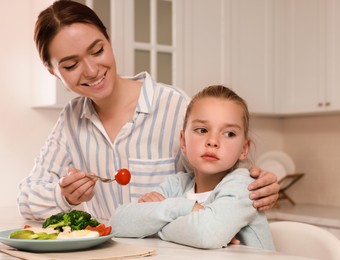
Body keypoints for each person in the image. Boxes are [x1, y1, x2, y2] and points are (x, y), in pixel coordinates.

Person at [17, 0, 279, 222]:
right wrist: (63, 196)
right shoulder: (71, 120)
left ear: (109, 39)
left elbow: (220, 176)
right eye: (71, 65)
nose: (91, 70)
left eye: (97, 51)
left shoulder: (174, 106)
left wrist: (257, 186)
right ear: (53, 72)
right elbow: (26, 200)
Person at [110, 85, 275, 250]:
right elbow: (118, 223)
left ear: (244, 149)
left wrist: (154, 227)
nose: (213, 141)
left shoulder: (244, 187)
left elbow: (207, 234)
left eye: (229, 133)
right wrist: (185, 208)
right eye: (202, 130)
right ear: (183, 141)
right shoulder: (175, 185)